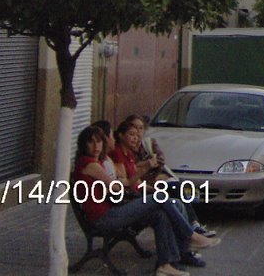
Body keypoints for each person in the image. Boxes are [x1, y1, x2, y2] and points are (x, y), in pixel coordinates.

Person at [73, 125, 215, 276]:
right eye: (91, 142)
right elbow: (115, 187)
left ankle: (165, 264)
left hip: (112, 209)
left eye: (99, 142)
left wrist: (120, 181)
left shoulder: (98, 162)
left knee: (160, 214)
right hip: (104, 218)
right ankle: (190, 235)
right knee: (160, 197)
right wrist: (121, 181)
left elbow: (115, 185)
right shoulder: (89, 164)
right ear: (84, 145)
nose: (96, 146)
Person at [124, 114, 217, 238]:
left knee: (177, 190)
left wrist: (150, 168)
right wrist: (147, 165)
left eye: (141, 128)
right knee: (174, 193)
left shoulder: (148, 143)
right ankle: (190, 232)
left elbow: (160, 161)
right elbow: (132, 170)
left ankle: (192, 227)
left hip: (156, 180)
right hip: (143, 187)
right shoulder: (126, 149)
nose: (138, 133)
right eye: (134, 128)